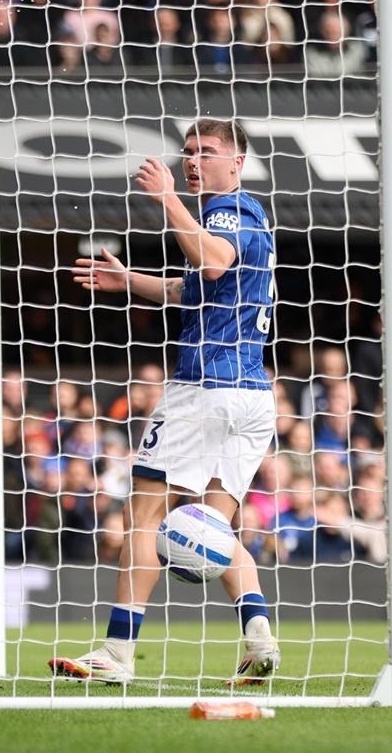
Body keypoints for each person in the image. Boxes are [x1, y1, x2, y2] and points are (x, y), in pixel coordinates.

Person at [50, 118, 279, 685]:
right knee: (214, 530)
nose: (193, 161)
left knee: (144, 517)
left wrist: (168, 198)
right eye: (188, 152)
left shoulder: (225, 211)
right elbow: (189, 287)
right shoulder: (249, 219)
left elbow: (214, 261)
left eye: (208, 152)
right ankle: (258, 636)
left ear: (237, 163)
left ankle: (117, 654)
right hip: (252, 398)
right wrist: (129, 280)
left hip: (203, 389)